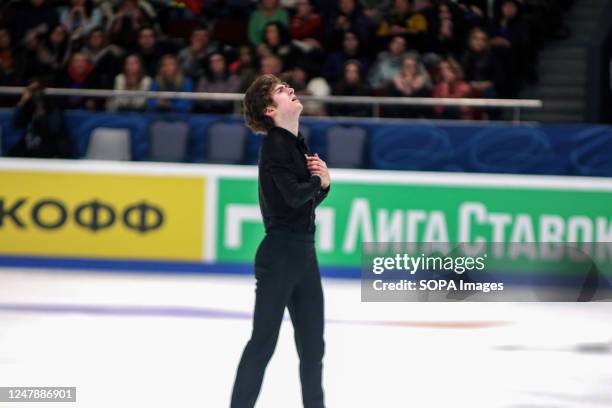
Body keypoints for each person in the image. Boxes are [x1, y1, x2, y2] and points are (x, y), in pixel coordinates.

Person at [231, 74, 330, 408]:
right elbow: (292, 197)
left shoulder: (294, 142)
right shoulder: (275, 142)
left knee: (313, 347)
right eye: (280, 90)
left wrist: (323, 185)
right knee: (263, 344)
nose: (290, 89)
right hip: (281, 254)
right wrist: (318, 182)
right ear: (271, 110)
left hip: (302, 253)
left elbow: (301, 203)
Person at [9, 82, 73, 158]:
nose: (36, 96)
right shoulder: (28, 107)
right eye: (33, 91)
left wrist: (41, 110)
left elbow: (54, 129)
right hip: (29, 148)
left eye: (38, 91)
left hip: (49, 148)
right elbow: (17, 123)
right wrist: (23, 101)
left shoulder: (52, 108)